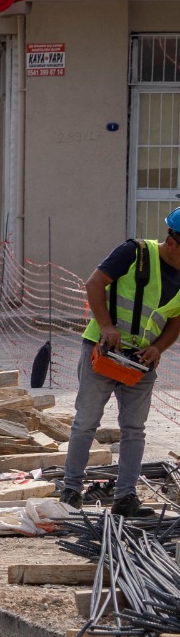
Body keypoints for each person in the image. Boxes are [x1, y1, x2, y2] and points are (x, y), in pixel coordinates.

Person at [59, 211, 180, 515]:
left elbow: (177, 319)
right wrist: (107, 327)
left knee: (134, 429)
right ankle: (71, 490)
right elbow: (94, 283)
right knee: (86, 421)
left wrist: (158, 348)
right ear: (173, 242)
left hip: (140, 361)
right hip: (103, 349)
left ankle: (125, 497)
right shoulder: (135, 253)